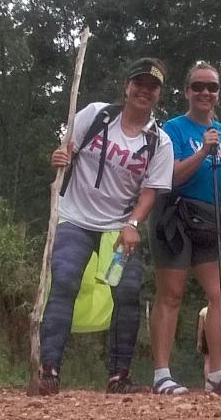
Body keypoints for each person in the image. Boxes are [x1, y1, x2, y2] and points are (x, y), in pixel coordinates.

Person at [39, 58, 175, 396]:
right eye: (139, 83)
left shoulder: (160, 142)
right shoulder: (96, 115)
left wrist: (132, 224)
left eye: (152, 86)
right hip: (75, 216)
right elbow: (66, 150)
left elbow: (150, 192)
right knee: (65, 283)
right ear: (127, 87)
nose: (144, 90)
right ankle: (48, 371)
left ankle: (119, 377)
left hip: (120, 225)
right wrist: (59, 156)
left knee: (128, 293)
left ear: (158, 94)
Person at [147, 62, 221, 396]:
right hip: (175, 216)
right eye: (198, 87)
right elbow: (172, 176)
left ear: (218, 93)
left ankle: (218, 374)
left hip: (212, 220)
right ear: (187, 92)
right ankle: (162, 374)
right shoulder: (173, 129)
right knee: (172, 293)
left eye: (212, 87)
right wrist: (203, 150)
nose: (205, 93)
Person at [196, 306, 211, 381]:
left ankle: (207, 382)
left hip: (206, 335)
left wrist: (199, 341)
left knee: (207, 361)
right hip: (218, 336)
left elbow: (200, 328)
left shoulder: (204, 310)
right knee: (219, 361)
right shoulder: (219, 310)